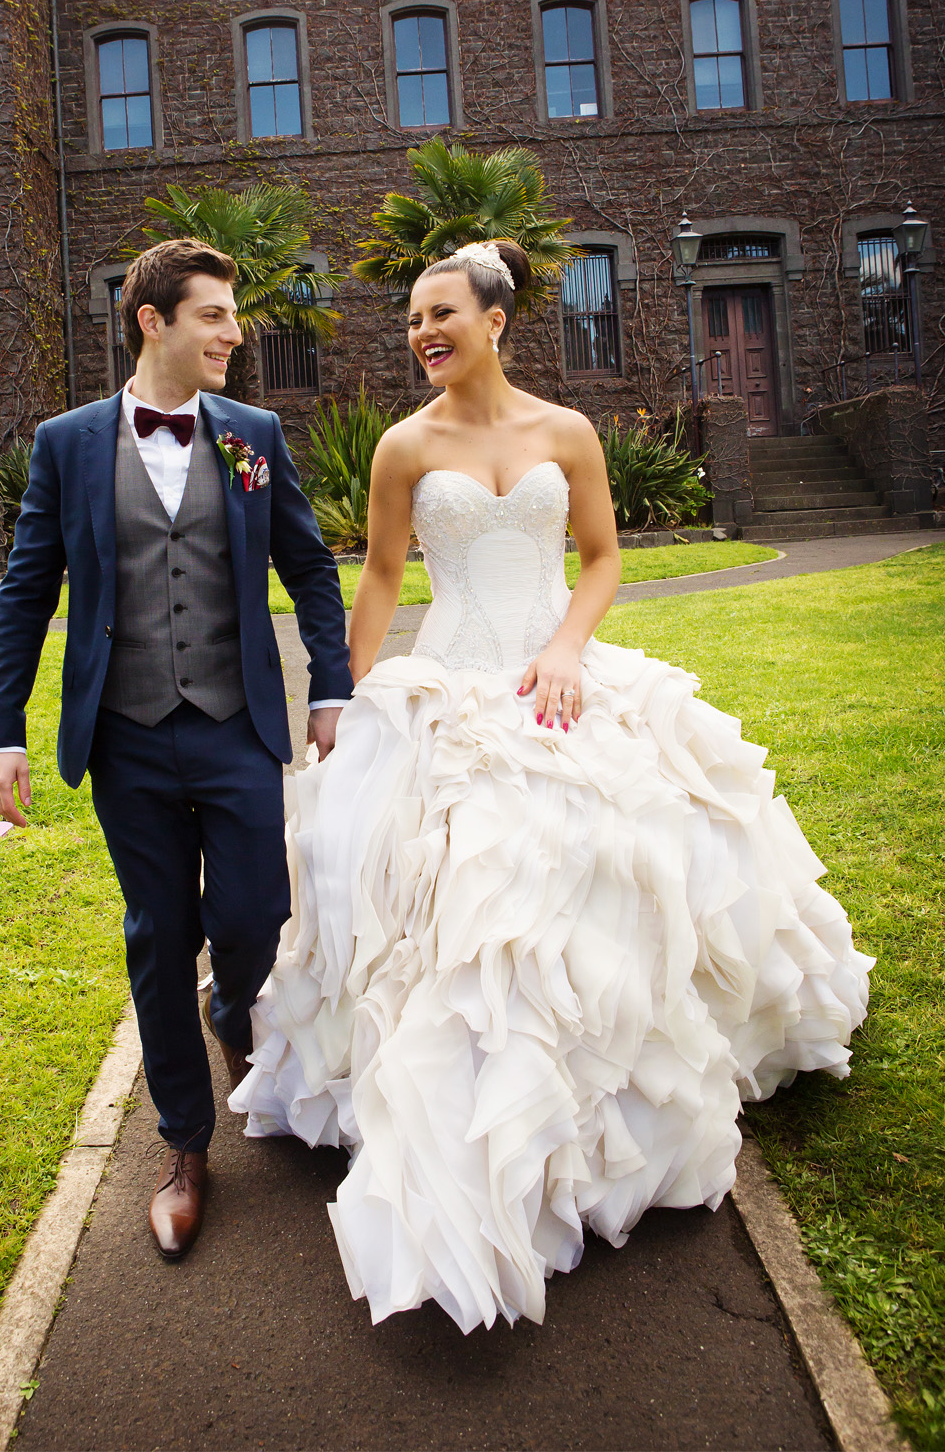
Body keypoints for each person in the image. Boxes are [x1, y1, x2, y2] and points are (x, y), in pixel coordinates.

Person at [231, 239, 872, 1333]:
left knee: (634, 842)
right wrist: (347, 698)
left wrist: (570, 647)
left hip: (552, 672)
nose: (422, 333)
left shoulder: (565, 433)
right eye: (412, 321)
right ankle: (469, 1105)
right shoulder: (400, 445)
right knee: (449, 880)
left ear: (497, 320)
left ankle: (610, 1088)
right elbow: (382, 578)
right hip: (454, 677)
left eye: (442, 313)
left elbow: (604, 558)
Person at [0, 238, 351, 1263]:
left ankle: (231, 1007)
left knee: (251, 916)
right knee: (156, 934)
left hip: (236, 727)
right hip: (126, 736)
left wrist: (333, 690)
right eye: (217, 317)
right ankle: (185, 1147)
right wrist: (0, 730)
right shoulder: (66, 444)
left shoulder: (254, 433)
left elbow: (312, 571)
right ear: (155, 322)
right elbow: (27, 593)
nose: (236, 334)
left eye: (233, 317)